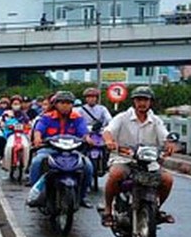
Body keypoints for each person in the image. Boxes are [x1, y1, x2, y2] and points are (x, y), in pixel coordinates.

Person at [101, 86, 176, 226]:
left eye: (146, 100)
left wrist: (170, 145)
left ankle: (156, 208)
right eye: (139, 100)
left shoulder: (155, 120)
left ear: (150, 102)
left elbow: (165, 137)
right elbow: (108, 131)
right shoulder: (122, 117)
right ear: (134, 101)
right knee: (116, 174)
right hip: (124, 158)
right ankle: (107, 209)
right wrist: (109, 141)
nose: (142, 103)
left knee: (167, 180)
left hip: (148, 161)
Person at [27, 91, 93, 207]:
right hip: (50, 149)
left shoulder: (78, 118)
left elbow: (84, 132)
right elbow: (38, 130)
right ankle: (35, 193)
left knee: (88, 166)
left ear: (72, 105)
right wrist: (37, 139)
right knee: (37, 161)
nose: (65, 106)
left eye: (68, 103)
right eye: (62, 103)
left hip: (73, 151)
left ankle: (82, 196)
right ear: (56, 104)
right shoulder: (46, 117)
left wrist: (88, 139)